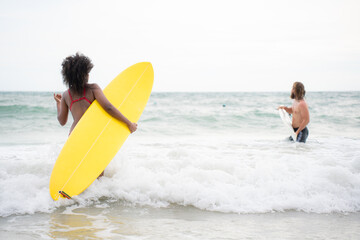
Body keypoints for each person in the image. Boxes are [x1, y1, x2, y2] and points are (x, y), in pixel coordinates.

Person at [54, 52, 137, 177]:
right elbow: (108, 107)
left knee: (81, 169)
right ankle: (97, 193)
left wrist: (58, 104)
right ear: (82, 75)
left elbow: (62, 121)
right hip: (92, 135)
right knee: (97, 171)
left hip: (74, 136)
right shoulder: (93, 89)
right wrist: (128, 123)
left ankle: (81, 193)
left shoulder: (66, 95)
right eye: (87, 73)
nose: (88, 75)